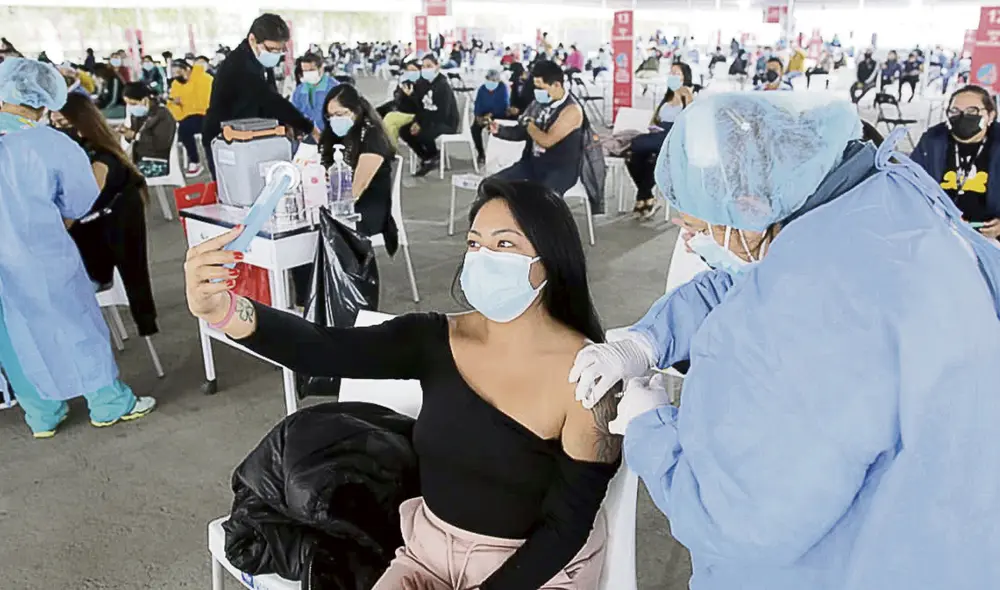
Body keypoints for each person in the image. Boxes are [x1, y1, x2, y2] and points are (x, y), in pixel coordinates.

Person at [572, 90, 1000, 589]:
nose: (688, 241)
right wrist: (648, 341)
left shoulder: (812, 307)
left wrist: (651, 429)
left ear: (750, 206)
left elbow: (737, 516)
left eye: (693, 226)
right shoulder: (874, 202)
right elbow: (743, 278)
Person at [184, 178, 620, 590]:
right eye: (474, 243)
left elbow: (567, 526)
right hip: (426, 553)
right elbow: (322, 348)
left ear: (551, 260)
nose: (484, 257)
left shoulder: (586, 376)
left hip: (535, 570)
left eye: (504, 243)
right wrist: (224, 310)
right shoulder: (435, 338)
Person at [0, 58, 155, 438]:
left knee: (13, 336)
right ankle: (108, 403)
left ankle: (42, 414)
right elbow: (80, 200)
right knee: (73, 323)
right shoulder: (48, 143)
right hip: (41, 254)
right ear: (44, 98)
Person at [54, 92, 160, 345]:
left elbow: (72, 213)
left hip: (96, 261)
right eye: (54, 123)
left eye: (62, 124)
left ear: (80, 125)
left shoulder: (99, 162)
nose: (56, 131)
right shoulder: (101, 154)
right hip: (102, 247)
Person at [202, 13, 321, 178]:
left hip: (251, 133)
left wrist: (283, 123)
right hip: (226, 139)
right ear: (252, 39)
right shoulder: (239, 65)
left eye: (281, 50)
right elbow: (270, 100)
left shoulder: (259, 58)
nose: (276, 54)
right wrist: (309, 127)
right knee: (237, 193)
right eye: (272, 49)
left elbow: (270, 91)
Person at [911, 85, 1000, 239]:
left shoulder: (997, 143)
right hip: (938, 230)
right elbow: (910, 183)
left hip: (988, 234)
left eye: (972, 111)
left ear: (991, 116)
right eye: (955, 111)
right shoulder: (932, 141)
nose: (962, 117)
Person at [488, 61, 583, 196]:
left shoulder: (572, 110)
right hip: (532, 164)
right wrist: (500, 130)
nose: (537, 92)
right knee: (491, 185)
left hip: (559, 169)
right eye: (535, 87)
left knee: (540, 200)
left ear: (556, 85)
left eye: (541, 88)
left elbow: (546, 140)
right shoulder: (537, 103)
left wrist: (529, 124)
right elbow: (522, 131)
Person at [320, 84, 398, 246]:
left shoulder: (372, 136)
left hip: (368, 207)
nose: (334, 120)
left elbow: (358, 187)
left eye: (339, 114)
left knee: (324, 229)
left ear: (355, 111)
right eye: (330, 116)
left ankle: (344, 270)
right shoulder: (336, 135)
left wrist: (337, 209)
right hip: (340, 200)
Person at [626, 62, 693, 219]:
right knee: (632, 157)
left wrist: (685, 94)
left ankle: (643, 197)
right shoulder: (666, 97)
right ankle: (647, 196)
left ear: (685, 77)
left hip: (673, 138)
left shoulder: (687, 97)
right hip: (658, 135)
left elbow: (690, 120)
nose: (672, 76)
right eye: (671, 73)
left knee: (654, 159)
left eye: (676, 73)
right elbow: (654, 121)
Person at [398, 53, 459, 177]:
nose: (426, 69)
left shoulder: (443, 86)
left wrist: (421, 124)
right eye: (424, 66)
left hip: (445, 122)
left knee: (423, 132)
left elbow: (443, 113)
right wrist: (416, 120)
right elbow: (421, 107)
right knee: (405, 131)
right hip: (428, 120)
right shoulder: (422, 84)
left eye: (429, 66)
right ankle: (429, 157)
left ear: (437, 66)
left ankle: (432, 158)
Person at [118, 82, 177, 178]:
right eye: (128, 104)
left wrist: (135, 135)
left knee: (123, 178)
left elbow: (161, 144)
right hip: (140, 159)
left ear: (145, 100)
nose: (130, 107)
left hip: (158, 162)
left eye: (133, 104)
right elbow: (135, 138)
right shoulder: (138, 115)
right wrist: (126, 133)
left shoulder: (162, 115)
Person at [166, 59, 213, 176]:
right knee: (184, 127)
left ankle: (205, 162)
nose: (176, 76)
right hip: (187, 116)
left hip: (207, 114)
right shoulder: (176, 84)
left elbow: (207, 102)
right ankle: (194, 160)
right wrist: (176, 104)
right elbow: (171, 105)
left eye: (178, 73)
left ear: (187, 69)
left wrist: (185, 103)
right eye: (174, 74)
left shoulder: (205, 79)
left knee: (194, 130)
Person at [377, 61, 423, 147]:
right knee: (376, 114)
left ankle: (388, 150)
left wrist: (411, 95)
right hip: (401, 110)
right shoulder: (406, 83)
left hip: (415, 114)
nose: (411, 73)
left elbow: (421, 106)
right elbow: (397, 101)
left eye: (414, 70)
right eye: (408, 70)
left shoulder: (424, 85)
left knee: (390, 118)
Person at [291, 52, 339, 135]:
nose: (308, 74)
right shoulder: (300, 90)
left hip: (329, 134)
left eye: (311, 70)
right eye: (305, 71)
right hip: (306, 135)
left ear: (321, 69)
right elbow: (294, 112)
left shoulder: (334, 88)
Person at [472, 68, 510, 167]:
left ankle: (492, 155)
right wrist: (478, 116)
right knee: (475, 129)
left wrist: (490, 115)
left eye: (494, 81)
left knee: (492, 129)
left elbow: (504, 105)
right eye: (489, 80)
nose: (491, 83)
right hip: (483, 113)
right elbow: (478, 104)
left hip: (497, 114)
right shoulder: (482, 89)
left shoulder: (502, 88)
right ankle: (481, 153)